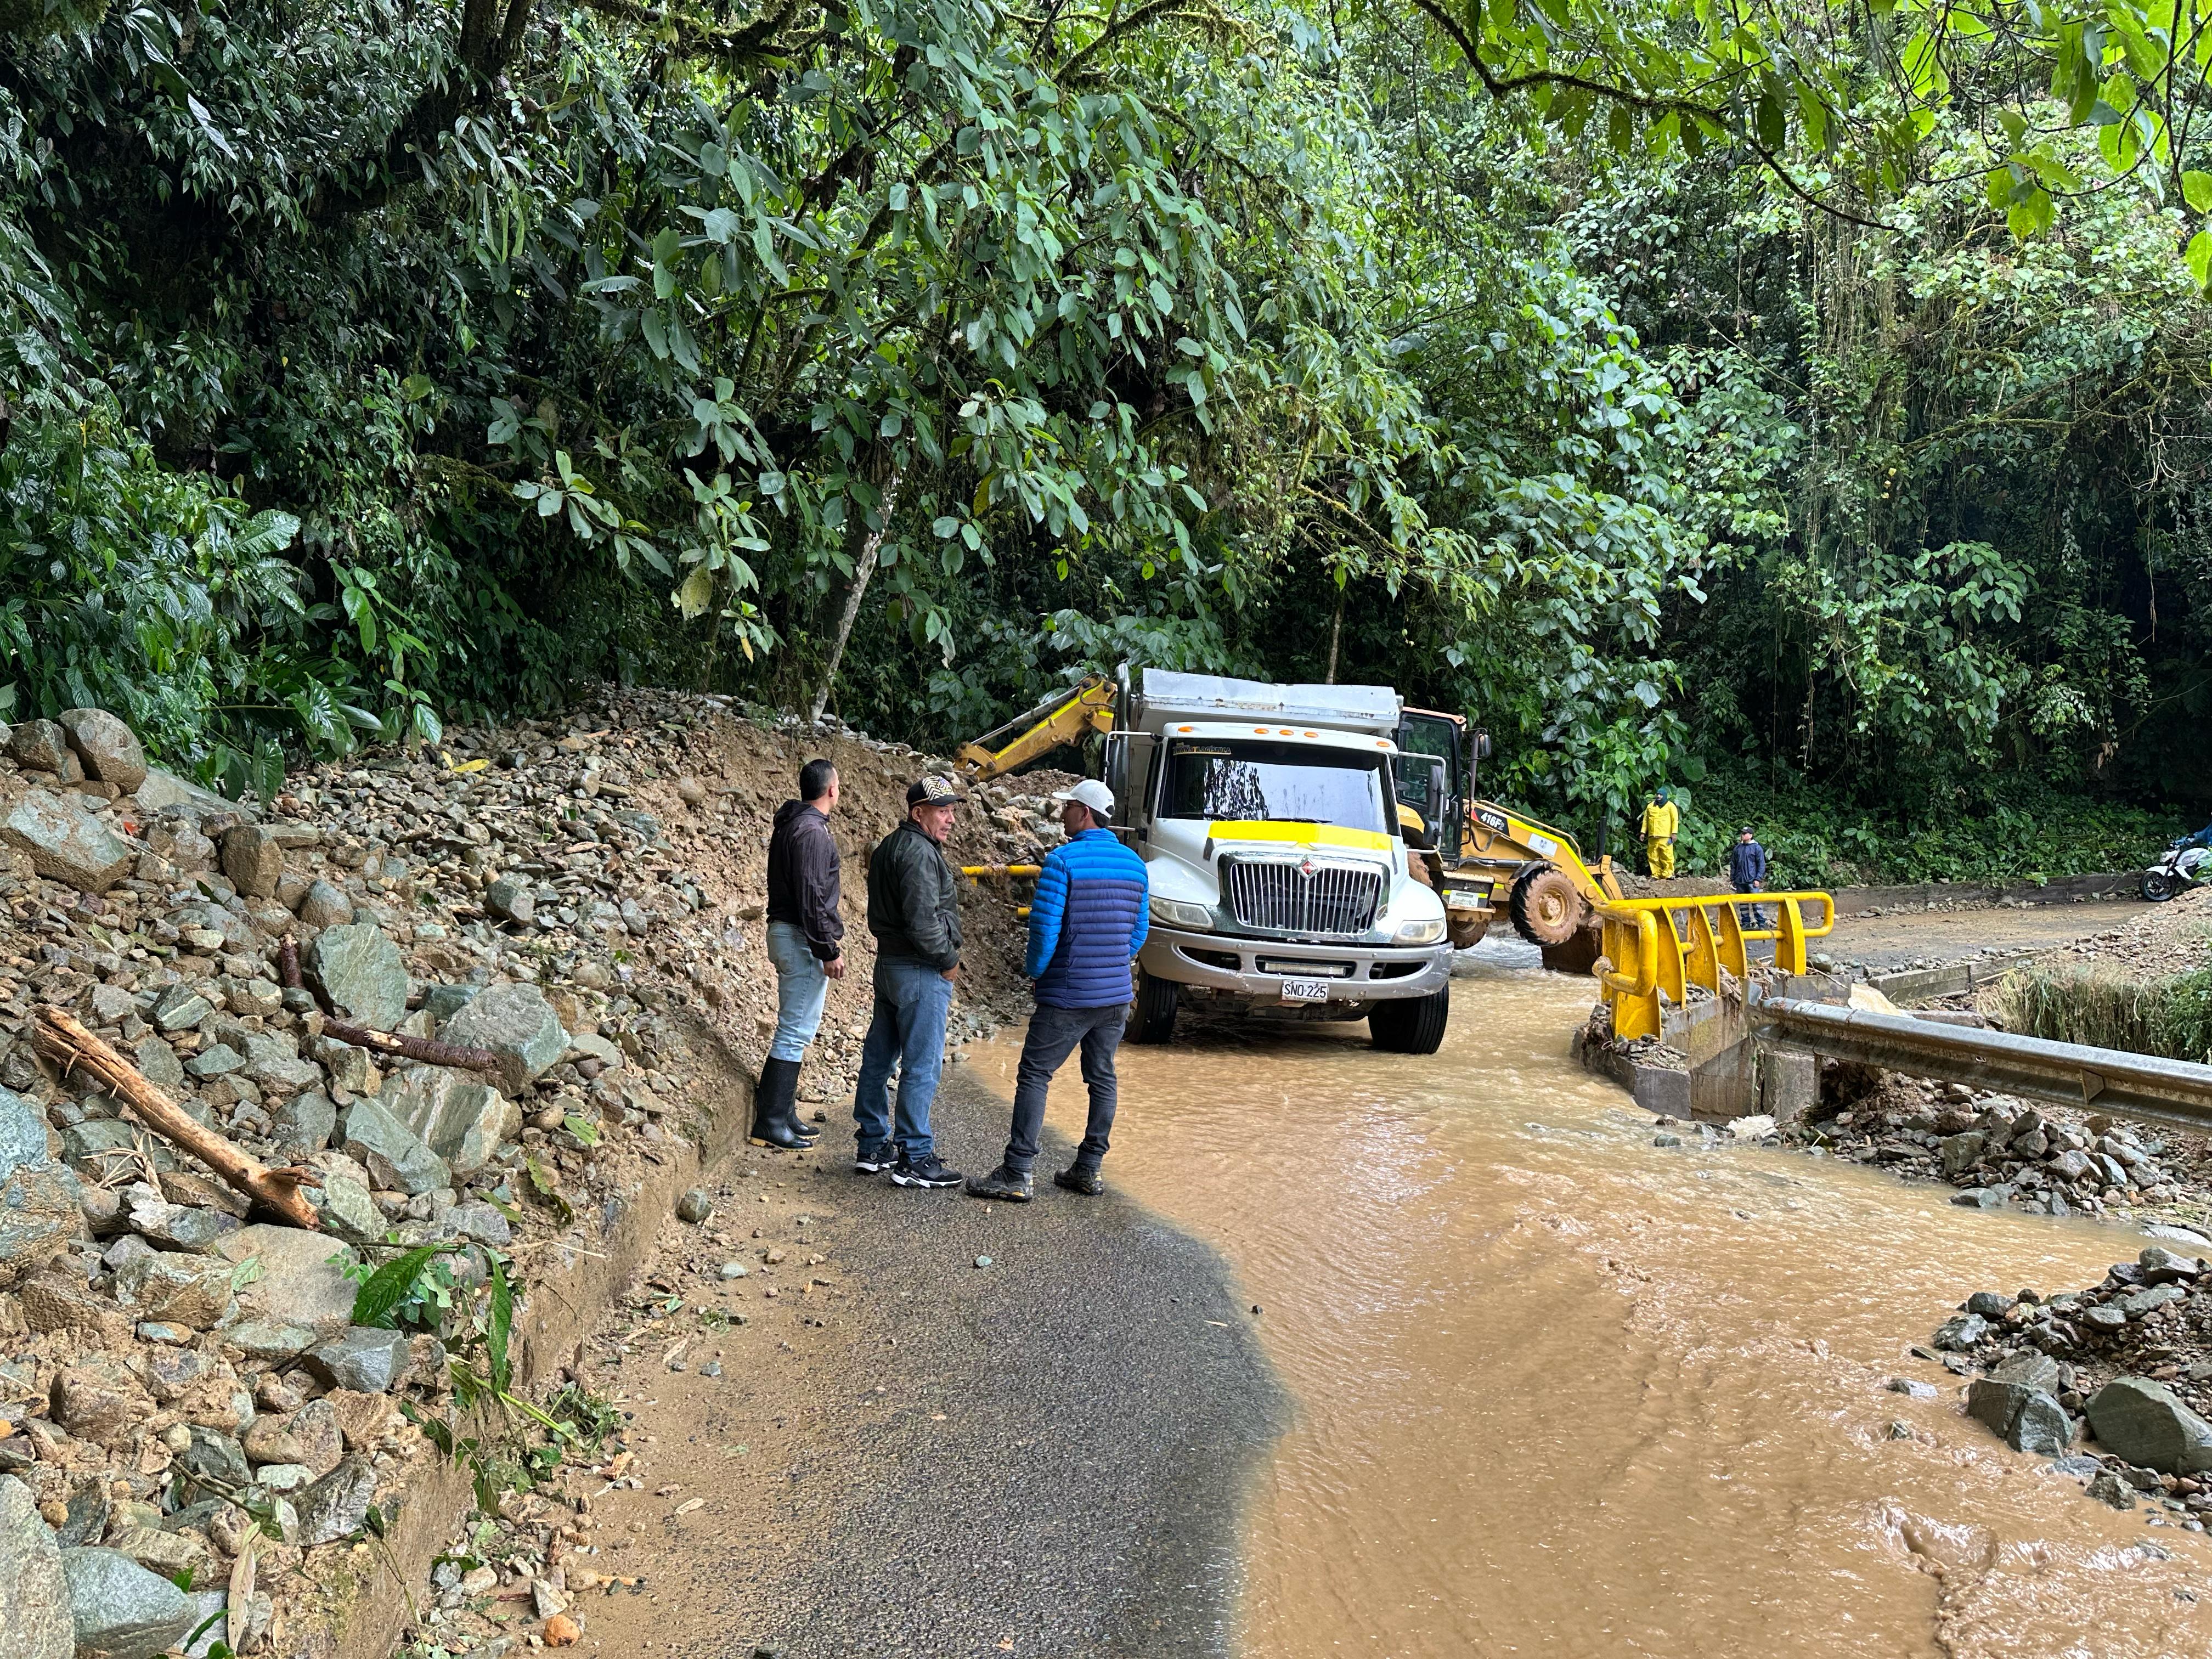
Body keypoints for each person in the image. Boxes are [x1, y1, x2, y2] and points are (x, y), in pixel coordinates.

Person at [968, 779, 1149, 1202]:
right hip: (1116, 996)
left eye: (1068, 807)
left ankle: (1017, 1172)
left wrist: (1036, 972)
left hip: (1068, 992)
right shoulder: (1134, 865)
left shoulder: (1062, 862)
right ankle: (1088, 1169)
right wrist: (1110, 962)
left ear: (1084, 813)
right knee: (1102, 1077)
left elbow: (1044, 930)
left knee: (1035, 1074)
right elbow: (1139, 932)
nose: (1062, 814)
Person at [851, 774, 968, 1188]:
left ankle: (873, 1146)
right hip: (920, 970)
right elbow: (923, 923)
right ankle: (915, 1157)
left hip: (890, 966)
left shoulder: (889, 846)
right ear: (918, 813)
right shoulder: (919, 853)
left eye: (952, 810)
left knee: (879, 1057)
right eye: (943, 811)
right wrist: (949, 960)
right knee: (922, 1065)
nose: (951, 818)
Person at [757, 759, 842, 1150]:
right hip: (800, 938)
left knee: (797, 1028)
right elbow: (811, 898)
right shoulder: (811, 833)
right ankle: (771, 1121)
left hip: (789, 933)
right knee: (793, 1030)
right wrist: (828, 949)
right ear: (831, 790)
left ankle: (784, 1114)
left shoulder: (794, 824)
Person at [1728, 825, 1769, 929]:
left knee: (1756, 902)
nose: (1742, 835)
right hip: (1740, 880)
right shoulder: (1738, 848)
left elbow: (1761, 865)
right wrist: (1733, 878)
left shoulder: (1757, 848)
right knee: (1743, 903)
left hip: (1752, 880)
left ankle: (1761, 923)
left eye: (1744, 834)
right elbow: (1734, 864)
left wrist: (1758, 879)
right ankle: (1746, 923)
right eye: (1742, 833)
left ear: (1750, 835)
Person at [1640, 787, 1680, 879]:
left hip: (1665, 836)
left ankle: (1668, 874)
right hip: (1653, 836)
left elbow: (1675, 820)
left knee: (1667, 855)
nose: (1658, 796)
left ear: (1664, 796)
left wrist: (1674, 833)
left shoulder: (1670, 806)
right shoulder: (1650, 806)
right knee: (1653, 856)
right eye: (1657, 794)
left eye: (1661, 795)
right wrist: (1643, 832)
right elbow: (1645, 820)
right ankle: (1656, 874)